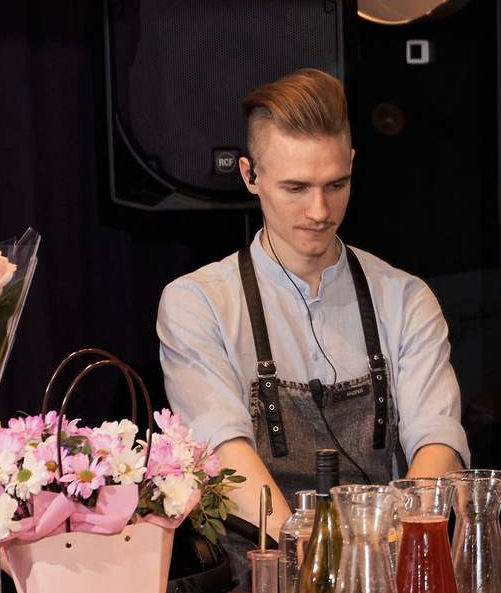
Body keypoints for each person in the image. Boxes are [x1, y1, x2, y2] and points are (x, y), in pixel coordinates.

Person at [157, 68, 468, 542]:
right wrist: (310, 564)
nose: (320, 211)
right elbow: (225, 451)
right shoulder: (198, 303)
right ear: (249, 175)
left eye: (336, 185)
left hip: (385, 559)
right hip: (257, 581)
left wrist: (380, 556)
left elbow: (437, 440)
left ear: (353, 165)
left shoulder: (405, 297)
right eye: (296, 188)